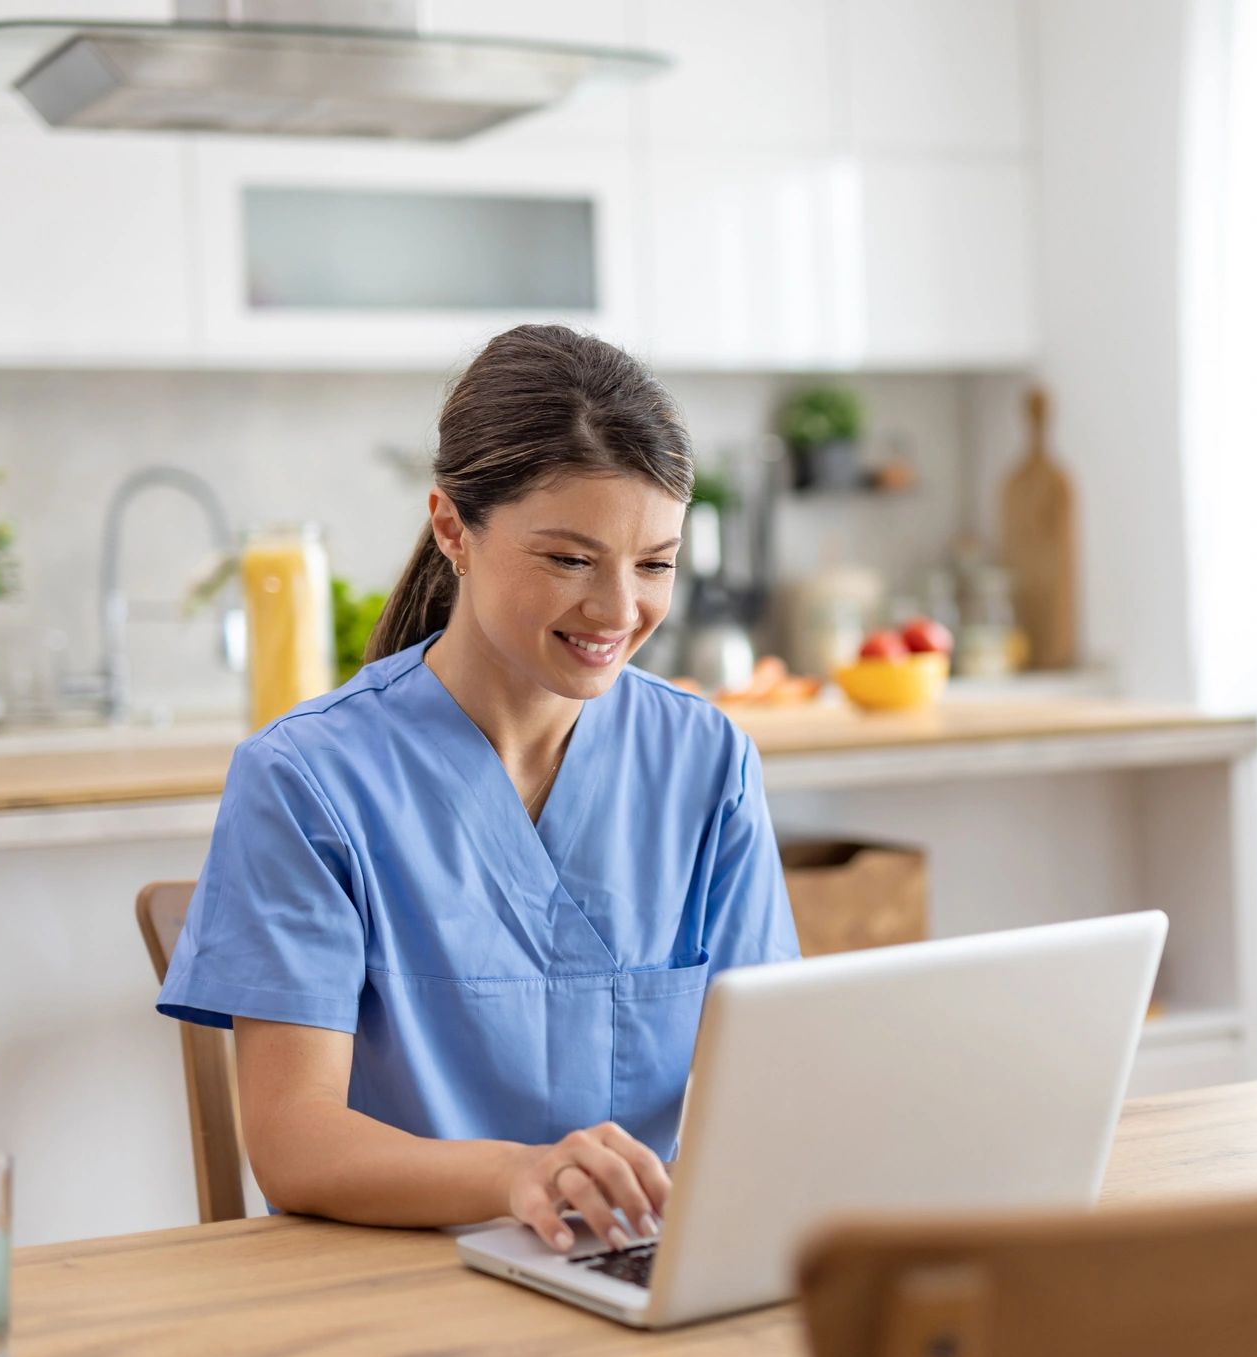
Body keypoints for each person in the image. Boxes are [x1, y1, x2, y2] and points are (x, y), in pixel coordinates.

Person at [156, 324, 799, 1256]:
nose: (620, 611)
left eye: (655, 564)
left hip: (632, 1277)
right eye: (571, 560)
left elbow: (771, 1078)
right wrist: (516, 1178)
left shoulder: (706, 762)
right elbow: (293, 1141)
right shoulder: (306, 780)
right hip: (390, 1283)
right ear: (453, 526)